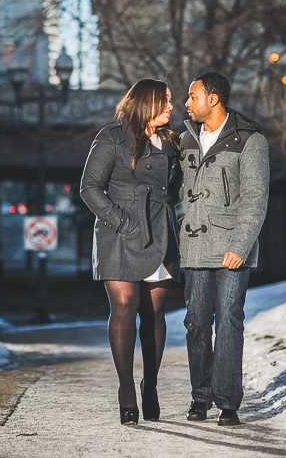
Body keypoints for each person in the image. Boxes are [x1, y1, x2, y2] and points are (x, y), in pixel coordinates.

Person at [80, 79, 183, 425]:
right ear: (146, 103)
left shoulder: (172, 141)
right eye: (165, 101)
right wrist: (122, 221)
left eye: (171, 101)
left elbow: (178, 189)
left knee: (153, 313)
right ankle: (126, 389)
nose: (171, 106)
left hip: (159, 232)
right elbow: (89, 187)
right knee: (125, 305)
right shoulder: (112, 137)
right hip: (119, 233)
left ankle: (150, 384)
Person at [177, 71, 269, 427]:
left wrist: (240, 245)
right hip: (196, 245)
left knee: (229, 320)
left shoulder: (249, 139)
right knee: (196, 322)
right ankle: (200, 397)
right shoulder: (186, 139)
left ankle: (228, 403)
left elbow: (255, 199)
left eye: (192, 96)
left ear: (213, 98)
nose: (187, 103)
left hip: (233, 247)